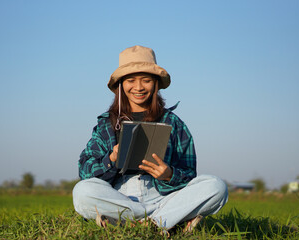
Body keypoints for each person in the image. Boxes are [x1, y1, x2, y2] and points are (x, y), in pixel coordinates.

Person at [72, 45, 228, 233]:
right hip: (120, 197)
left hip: (163, 197)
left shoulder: (174, 123)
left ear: (155, 84)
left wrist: (169, 174)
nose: (138, 87)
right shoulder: (106, 124)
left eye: (146, 80)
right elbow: (85, 170)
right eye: (131, 80)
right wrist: (111, 160)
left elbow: (189, 174)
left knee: (216, 186)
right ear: (121, 84)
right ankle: (166, 222)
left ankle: (138, 224)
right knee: (82, 192)